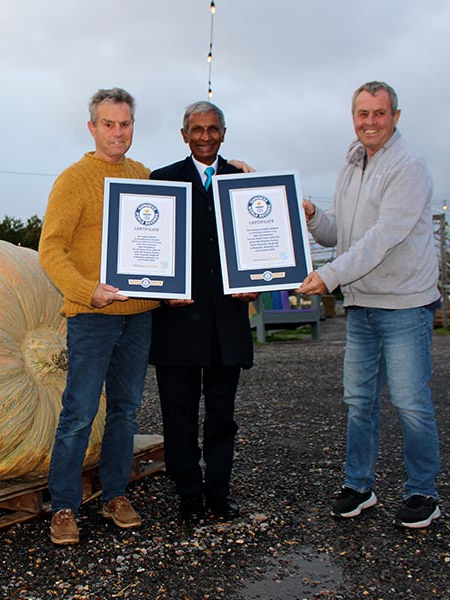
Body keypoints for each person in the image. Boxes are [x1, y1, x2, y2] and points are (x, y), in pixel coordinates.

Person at [296, 81, 442, 529]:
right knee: (359, 401)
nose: (370, 122)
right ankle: (359, 486)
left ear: (395, 117)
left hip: (404, 305)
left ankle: (423, 493)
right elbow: (343, 233)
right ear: (353, 117)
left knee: (410, 402)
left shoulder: (408, 166)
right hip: (362, 306)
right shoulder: (352, 165)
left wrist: (329, 277)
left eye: (379, 113)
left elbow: (383, 238)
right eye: (363, 113)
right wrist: (312, 216)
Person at [39, 88, 159, 545]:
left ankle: (115, 495)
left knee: (126, 411)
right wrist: (87, 290)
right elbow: (51, 248)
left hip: (139, 314)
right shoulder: (74, 179)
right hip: (92, 314)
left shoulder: (145, 177)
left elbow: (165, 237)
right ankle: (65, 506)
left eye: (124, 124)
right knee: (79, 412)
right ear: (92, 128)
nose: (117, 132)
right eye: (108, 124)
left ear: (133, 127)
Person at [149, 101, 258, 523]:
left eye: (214, 129)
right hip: (177, 323)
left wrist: (256, 284)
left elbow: (256, 247)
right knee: (178, 417)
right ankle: (188, 495)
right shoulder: (162, 181)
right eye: (197, 129)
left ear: (224, 133)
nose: (206, 136)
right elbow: (149, 252)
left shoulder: (245, 182)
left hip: (226, 325)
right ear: (184, 134)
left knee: (221, 417)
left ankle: (219, 493)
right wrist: (160, 293)